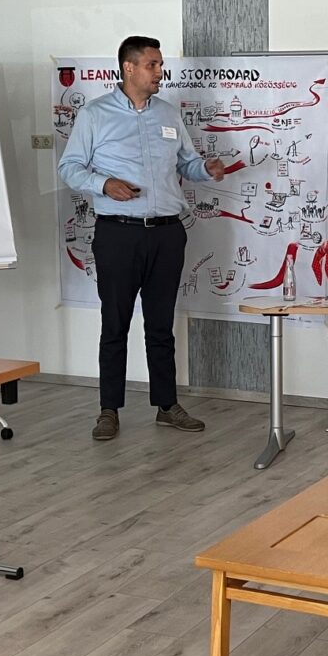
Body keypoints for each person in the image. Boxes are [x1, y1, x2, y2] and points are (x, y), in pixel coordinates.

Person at [57, 35, 226, 441]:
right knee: (115, 324)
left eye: (160, 64)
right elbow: (70, 167)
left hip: (167, 234)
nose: (159, 72)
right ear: (128, 67)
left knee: (161, 325)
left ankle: (167, 405)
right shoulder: (95, 115)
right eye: (152, 65)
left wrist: (206, 169)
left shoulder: (167, 114)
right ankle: (108, 410)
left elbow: (187, 164)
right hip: (118, 234)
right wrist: (103, 184)